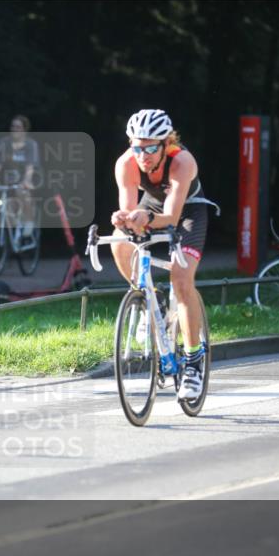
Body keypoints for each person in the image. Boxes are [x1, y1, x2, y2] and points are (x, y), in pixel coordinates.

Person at [110, 109, 220, 400]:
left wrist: (142, 216)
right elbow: (131, 210)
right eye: (136, 147)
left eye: (150, 148)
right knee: (120, 241)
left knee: (181, 279)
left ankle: (194, 360)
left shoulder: (182, 162)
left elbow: (171, 217)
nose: (142, 155)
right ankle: (147, 296)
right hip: (153, 206)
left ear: (166, 143)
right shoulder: (126, 164)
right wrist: (124, 220)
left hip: (188, 211)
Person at [0, 114, 40, 248]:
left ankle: (29, 224)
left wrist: (26, 181)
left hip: (30, 177)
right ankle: (12, 232)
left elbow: (30, 168)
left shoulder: (30, 144)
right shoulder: (4, 143)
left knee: (22, 192)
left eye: (18, 127)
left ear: (24, 129)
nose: (14, 129)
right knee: (6, 203)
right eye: (13, 126)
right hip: (11, 178)